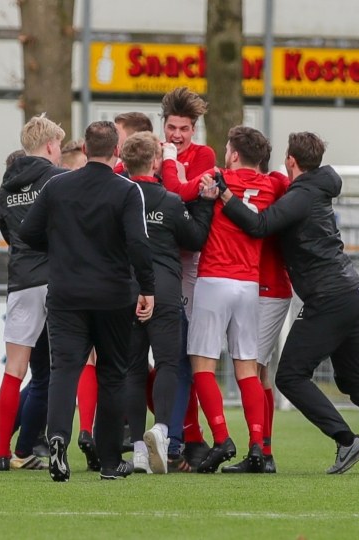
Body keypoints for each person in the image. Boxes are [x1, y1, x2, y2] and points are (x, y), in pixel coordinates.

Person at [213, 131, 359, 475]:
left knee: (290, 376)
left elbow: (260, 226)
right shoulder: (316, 189)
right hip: (352, 294)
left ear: (291, 161)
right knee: (353, 378)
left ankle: (346, 441)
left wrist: (226, 196)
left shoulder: (302, 195)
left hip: (330, 298)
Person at [19, 120, 156, 481]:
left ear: (85, 148)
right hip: (113, 295)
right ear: (115, 152)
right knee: (113, 375)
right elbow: (139, 244)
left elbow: (28, 232)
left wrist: (63, 247)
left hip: (65, 293)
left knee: (64, 369)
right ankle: (110, 462)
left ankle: (58, 439)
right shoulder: (127, 191)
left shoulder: (57, 185)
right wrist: (147, 287)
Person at [119, 131, 212, 474]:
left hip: (126, 290)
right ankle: (161, 429)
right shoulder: (170, 200)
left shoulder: (118, 197)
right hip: (166, 288)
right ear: (156, 162)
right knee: (169, 363)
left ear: (125, 162)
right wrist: (202, 203)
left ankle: (139, 449)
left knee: (132, 368)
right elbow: (196, 238)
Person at [187, 126, 276, 474]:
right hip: (249, 285)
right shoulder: (273, 185)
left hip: (214, 278)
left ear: (234, 154)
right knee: (247, 366)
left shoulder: (215, 176)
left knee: (202, 365)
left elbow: (183, 190)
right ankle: (257, 444)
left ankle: (222, 438)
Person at [0, 117, 67, 471]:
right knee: (69, 367)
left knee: (15, 371)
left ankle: (4, 452)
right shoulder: (57, 179)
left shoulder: (6, 186)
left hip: (21, 279)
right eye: (60, 147)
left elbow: (9, 233)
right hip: (56, 277)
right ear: (51, 145)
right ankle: (64, 444)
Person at [156, 87, 216, 472]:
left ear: (194, 129)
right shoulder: (157, 150)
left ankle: (177, 439)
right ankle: (170, 437)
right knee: (157, 360)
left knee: (185, 357)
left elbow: (176, 194)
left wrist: (172, 167)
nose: (176, 135)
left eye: (183, 128)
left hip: (191, 267)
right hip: (156, 266)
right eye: (172, 127)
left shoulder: (204, 155)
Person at [222, 160, 292, 475]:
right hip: (258, 287)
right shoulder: (273, 184)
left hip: (269, 288)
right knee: (257, 370)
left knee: (252, 368)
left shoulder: (275, 184)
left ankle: (264, 451)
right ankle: (264, 449)